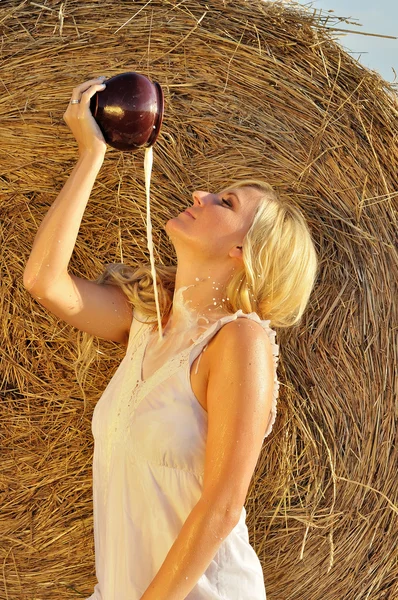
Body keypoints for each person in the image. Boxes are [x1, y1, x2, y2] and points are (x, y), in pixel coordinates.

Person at [23, 77, 318, 600]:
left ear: (245, 254)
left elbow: (223, 506)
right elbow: (44, 282)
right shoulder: (146, 325)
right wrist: (91, 153)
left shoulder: (239, 341)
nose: (199, 194)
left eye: (224, 202)